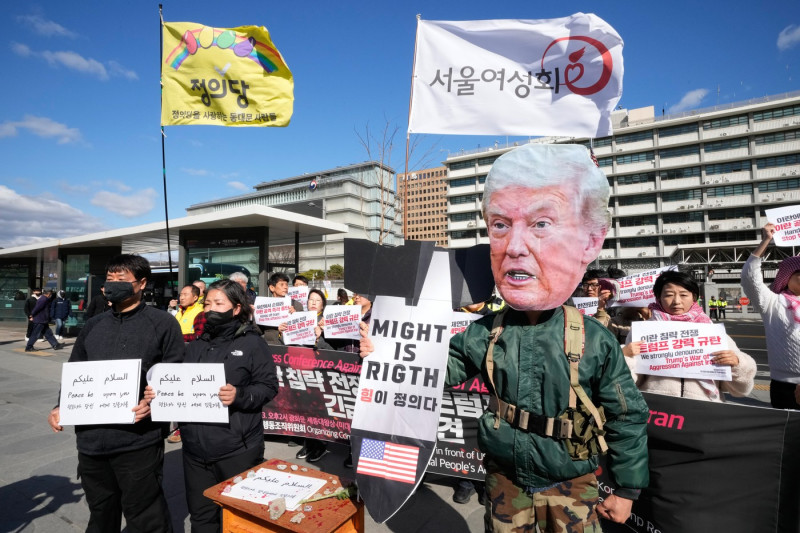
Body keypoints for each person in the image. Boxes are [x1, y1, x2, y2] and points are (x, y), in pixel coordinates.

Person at [362, 144, 648, 531]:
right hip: (505, 482)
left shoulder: (594, 339)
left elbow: (627, 417)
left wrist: (627, 489)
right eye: (499, 225)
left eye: (541, 224)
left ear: (591, 242)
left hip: (572, 483)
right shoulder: (486, 331)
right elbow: (434, 370)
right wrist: (385, 352)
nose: (513, 247)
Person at [47, 254, 184, 532]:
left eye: (121, 279)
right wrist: (61, 405)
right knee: (100, 513)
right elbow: (76, 371)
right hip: (91, 442)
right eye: (109, 280)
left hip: (138, 442)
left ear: (141, 283)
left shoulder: (163, 323)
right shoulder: (94, 325)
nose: (113, 285)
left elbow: (176, 375)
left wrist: (153, 403)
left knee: (146, 516)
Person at [147, 279, 278, 533]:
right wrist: (159, 392)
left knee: (238, 520)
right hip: (195, 451)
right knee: (201, 517)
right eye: (207, 304)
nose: (211, 309)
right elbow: (180, 384)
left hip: (236, 448)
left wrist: (239, 395)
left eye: (219, 303)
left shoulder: (252, 343)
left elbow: (269, 386)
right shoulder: (196, 344)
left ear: (237, 308)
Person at [622, 270, 755, 402]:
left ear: (694, 297)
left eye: (684, 295)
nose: (676, 301)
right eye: (669, 295)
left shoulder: (711, 331)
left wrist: (737, 364)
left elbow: (741, 390)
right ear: (658, 298)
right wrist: (624, 357)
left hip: (705, 409)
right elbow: (627, 384)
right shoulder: (644, 331)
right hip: (657, 407)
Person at [741, 223, 800, 409]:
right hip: (785, 385)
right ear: (787, 277)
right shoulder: (772, 302)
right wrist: (766, 240)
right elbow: (750, 279)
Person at [292, 288, 334, 463]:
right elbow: (288, 343)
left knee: (319, 410)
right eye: (311, 299)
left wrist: (320, 337)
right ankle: (308, 443)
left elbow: (333, 350)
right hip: (300, 369)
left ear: (323, 305)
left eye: (318, 300)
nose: (314, 303)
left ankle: (320, 445)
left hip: (319, 372)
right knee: (304, 408)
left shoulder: (327, 322)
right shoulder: (298, 319)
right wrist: (283, 331)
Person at [261, 272, 303, 345]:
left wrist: (295, 315)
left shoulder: (296, 305)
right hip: (269, 345)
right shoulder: (264, 305)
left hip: (290, 346)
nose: (285, 287)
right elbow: (257, 330)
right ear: (272, 287)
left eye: (286, 284)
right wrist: (255, 314)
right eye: (282, 284)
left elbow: (302, 330)